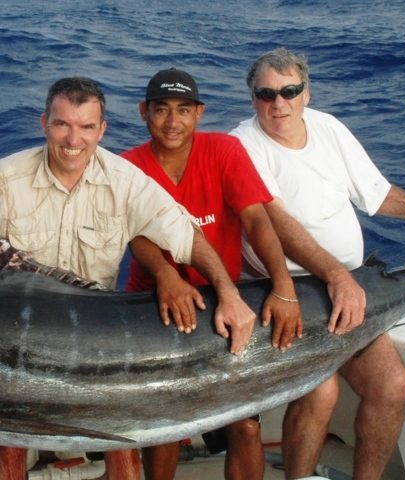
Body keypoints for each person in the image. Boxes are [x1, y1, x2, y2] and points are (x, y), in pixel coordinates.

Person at [0, 76, 257, 480]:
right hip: (16, 339)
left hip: (96, 337)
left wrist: (228, 292)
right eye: (62, 124)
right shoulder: (3, 179)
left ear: (102, 130)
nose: (72, 139)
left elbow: (187, 237)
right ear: (44, 123)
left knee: (122, 435)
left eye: (86, 127)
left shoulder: (126, 181)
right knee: (8, 441)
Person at [230, 47, 405, 479]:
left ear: (306, 93)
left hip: (344, 286)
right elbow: (276, 222)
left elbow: (376, 192)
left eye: (289, 91)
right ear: (252, 98)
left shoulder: (328, 128)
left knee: (392, 385)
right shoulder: (243, 144)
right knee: (321, 390)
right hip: (285, 291)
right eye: (266, 94)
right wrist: (335, 277)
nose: (279, 104)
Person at [120, 68, 302, 480]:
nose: (172, 121)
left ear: (199, 113)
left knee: (244, 423)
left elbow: (257, 220)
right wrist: (167, 277)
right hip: (154, 307)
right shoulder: (127, 165)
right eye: (161, 109)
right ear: (143, 112)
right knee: (166, 425)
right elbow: (135, 233)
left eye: (184, 110)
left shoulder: (225, 150)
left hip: (225, 303)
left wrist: (284, 285)